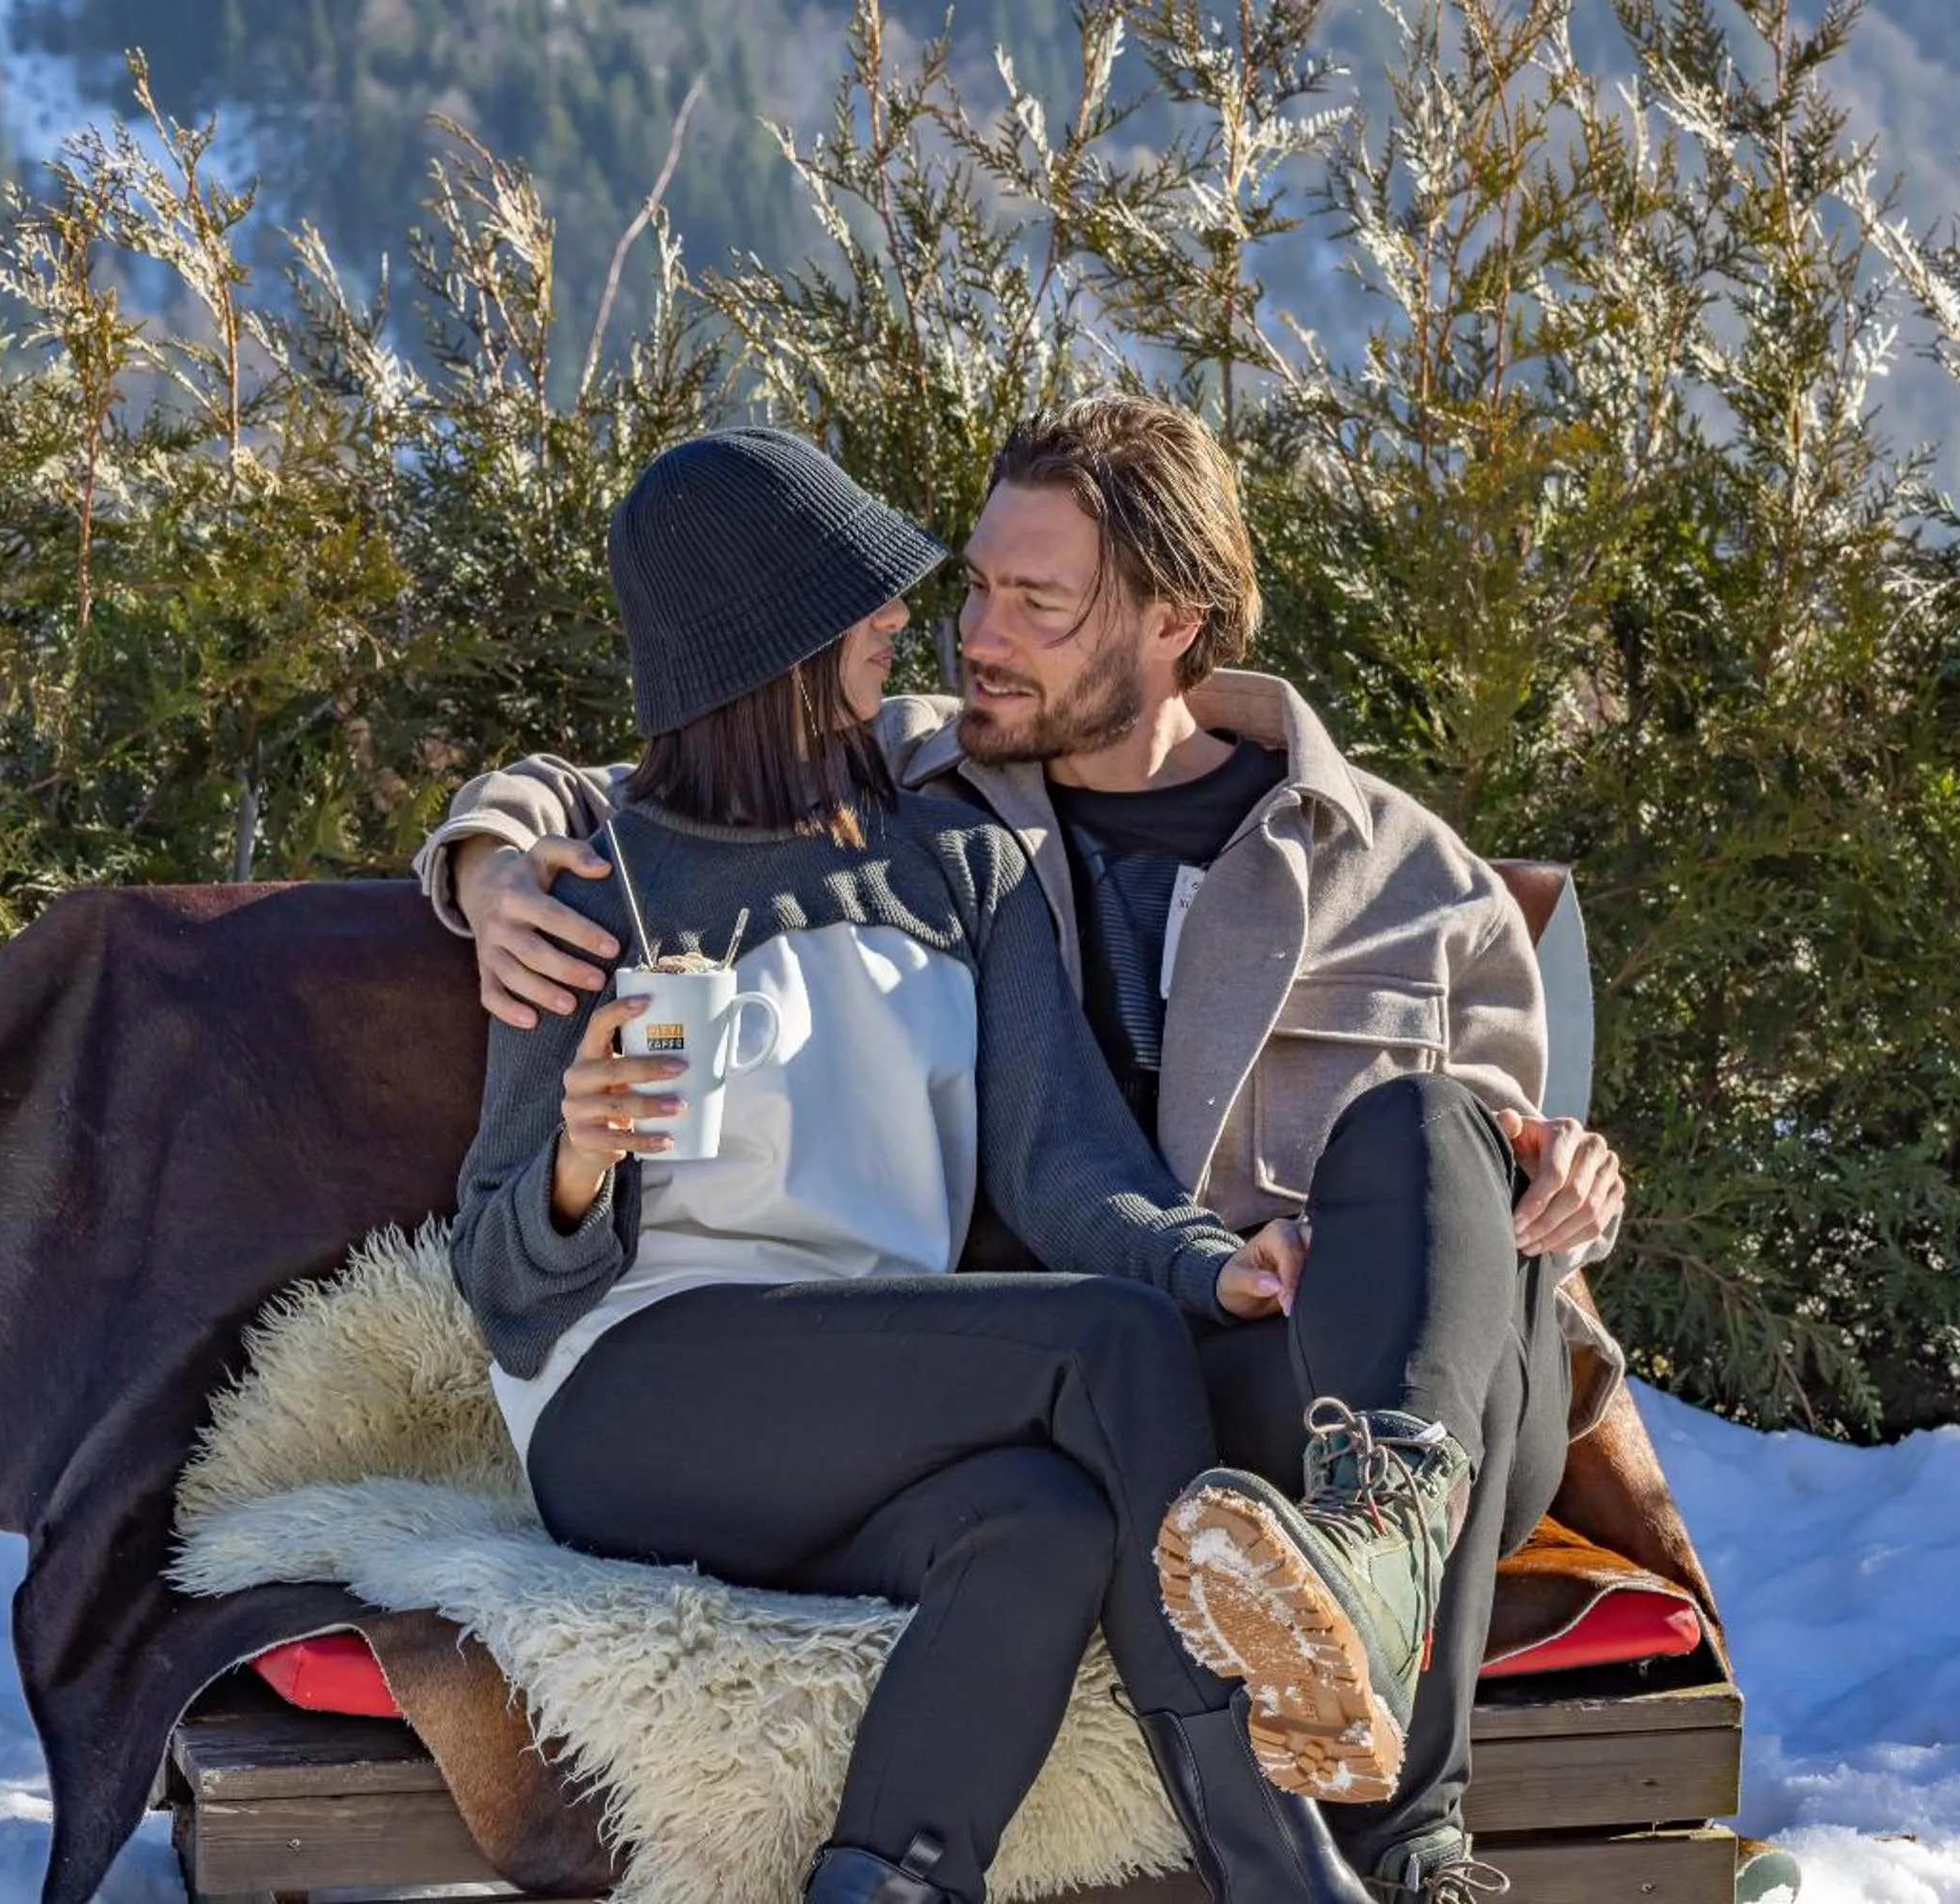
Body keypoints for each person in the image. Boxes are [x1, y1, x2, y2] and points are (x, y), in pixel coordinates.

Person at [423, 395, 1631, 1903]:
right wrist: (574, 1158)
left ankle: (887, 1873)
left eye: (1015, 595)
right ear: (769, 640)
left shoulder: (963, 859)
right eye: (871, 593)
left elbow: (1069, 1168)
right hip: (637, 1386)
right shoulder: (592, 888)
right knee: (1102, 1347)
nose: (923, 619)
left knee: (1042, 1515)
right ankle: (1287, 1870)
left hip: (891, 1400)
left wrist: (1219, 1268)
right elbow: (499, 1276)